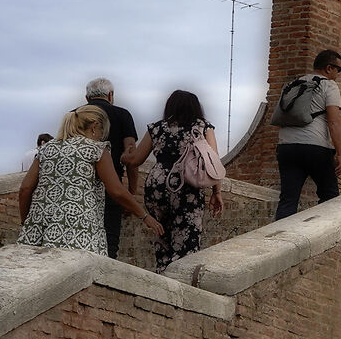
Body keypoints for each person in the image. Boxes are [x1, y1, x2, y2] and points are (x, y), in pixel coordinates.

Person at [18, 104, 158, 255]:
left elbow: (25, 188)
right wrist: (144, 215)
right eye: (102, 132)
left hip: (38, 228)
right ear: (94, 127)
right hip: (79, 228)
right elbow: (116, 190)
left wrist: (27, 222)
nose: (101, 137)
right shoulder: (96, 149)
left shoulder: (46, 149)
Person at [127, 88, 223, 272]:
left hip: (157, 186)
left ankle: (162, 273)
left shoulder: (156, 128)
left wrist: (125, 156)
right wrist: (216, 192)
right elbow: (213, 162)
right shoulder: (202, 127)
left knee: (162, 237)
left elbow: (135, 160)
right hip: (187, 186)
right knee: (187, 240)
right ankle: (181, 279)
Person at [273, 49, 341, 220]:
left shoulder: (293, 84)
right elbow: (334, 122)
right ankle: (323, 232)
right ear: (329, 68)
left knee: (288, 200)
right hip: (315, 148)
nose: (338, 74)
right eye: (338, 69)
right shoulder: (328, 85)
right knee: (330, 196)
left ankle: (280, 235)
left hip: (286, 147)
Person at [81, 77, 141, 255]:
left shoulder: (74, 115)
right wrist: (131, 193)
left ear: (87, 98)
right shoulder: (122, 115)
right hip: (112, 186)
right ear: (110, 95)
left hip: (80, 187)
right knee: (109, 243)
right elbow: (131, 157)